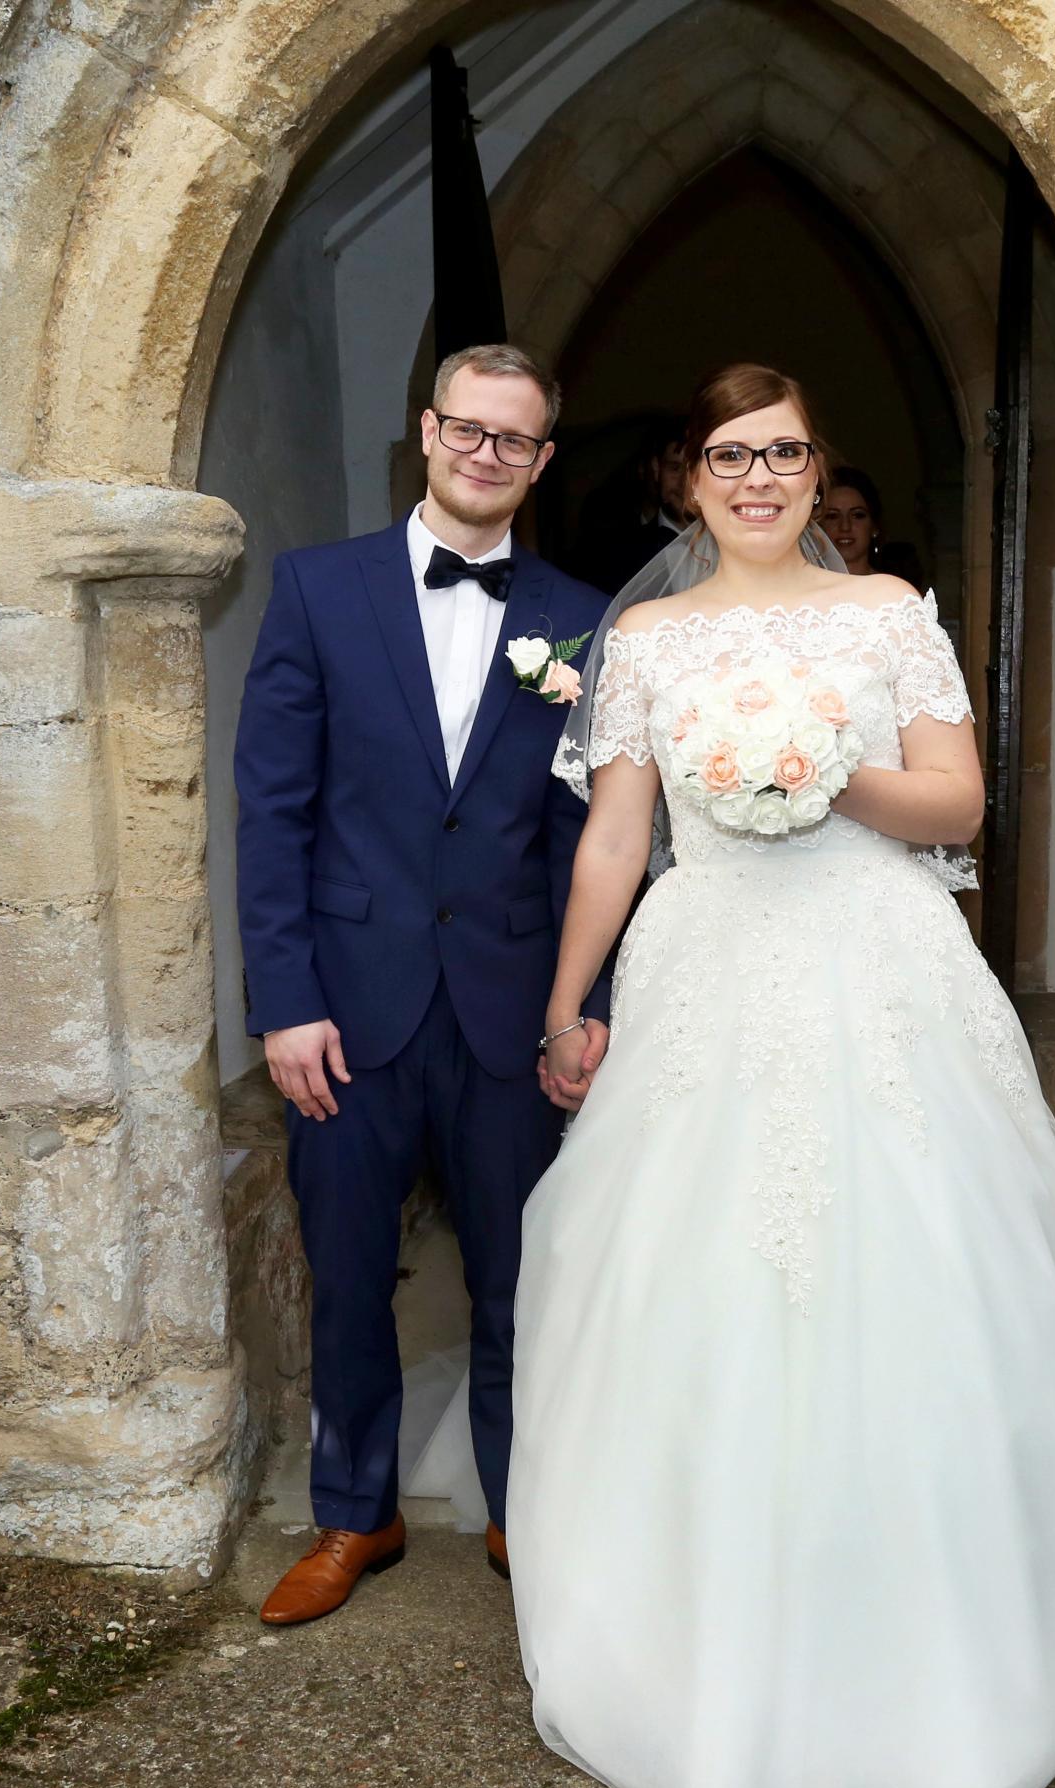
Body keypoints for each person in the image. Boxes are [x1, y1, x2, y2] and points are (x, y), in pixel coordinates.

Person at [507, 363, 1055, 1788]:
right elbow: (614, 837)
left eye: (785, 450)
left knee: (907, 1266)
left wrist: (822, 772)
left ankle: (930, 1621)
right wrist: (566, 1003)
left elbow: (958, 802)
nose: (759, 476)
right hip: (706, 964)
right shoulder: (643, 637)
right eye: (731, 453)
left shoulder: (891, 616)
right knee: (702, 1283)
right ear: (688, 475)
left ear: (814, 466)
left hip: (880, 965)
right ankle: (696, 1627)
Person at [233, 342, 611, 1625]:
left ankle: (522, 1512)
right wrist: (282, 1000)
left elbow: (589, 840)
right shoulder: (316, 590)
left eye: (515, 438)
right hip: (344, 1007)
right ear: (426, 431)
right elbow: (270, 812)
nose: (486, 453)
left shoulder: (583, 614)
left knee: (522, 1276)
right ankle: (355, 1515)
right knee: (347, 1273)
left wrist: (578, 1006)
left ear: (541, 458)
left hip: (510, 1009)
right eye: (468, 429)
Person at [573, 418, 690, 593]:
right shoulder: (615, 555)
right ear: (656, 469)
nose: (685, 483)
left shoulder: (733, 545)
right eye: (674, 468)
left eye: (694, 469)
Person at [820, 463, 930, 593]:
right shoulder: (800, 591)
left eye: (857, 515)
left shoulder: (895, 593)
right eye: (832, 516)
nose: (845, 526)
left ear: (874, 527)